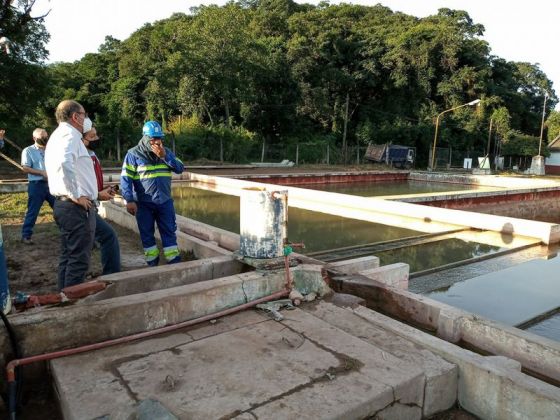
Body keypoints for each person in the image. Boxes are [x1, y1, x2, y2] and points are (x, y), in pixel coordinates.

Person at [45, 100, 98, 289]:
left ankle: (63, 297)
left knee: (69, 256)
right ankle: (72, 305)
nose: (86, 118)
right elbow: (64, 163)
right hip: (74, 207)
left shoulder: (59, 135)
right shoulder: (70, 135)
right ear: (75, 117)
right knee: (79, 260)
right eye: (84, 114)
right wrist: (76, 195)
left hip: (66, 205)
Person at [120, 121, 184, 266]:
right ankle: (152, 265)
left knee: (169, 233)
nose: (157, 142)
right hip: (143, 204)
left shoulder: (166, 152)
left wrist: (165, 156)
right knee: (147, 235)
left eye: (159, 138)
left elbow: (180, 168)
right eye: (153, 139)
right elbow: (125, 179)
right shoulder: (133, 154)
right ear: (145, 138)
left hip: (165, 202)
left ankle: (174, 264)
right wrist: (129, 200)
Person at [82, 118, 121, 275]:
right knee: (108, 237)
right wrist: (97, 194)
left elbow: (93, 182)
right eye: (92, 137)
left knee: (80, 247)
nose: (96, 139)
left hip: (90, 204)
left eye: (96, 135)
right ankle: (112, 276)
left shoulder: (92, 155)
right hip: (83, 206)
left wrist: (103, 190)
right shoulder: (81, 157)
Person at [20, 128, 55, 244]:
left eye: (46, 136)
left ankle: (68, 232)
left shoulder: (51, 149)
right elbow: (25, 168)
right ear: (35, 138)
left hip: (52, 185)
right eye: (42, 137)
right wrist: (41, 173)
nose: (45, 139)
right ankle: (26, 235)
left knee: (60, 209)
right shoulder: (28, 151)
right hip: (36, 185)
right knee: (33, 211)